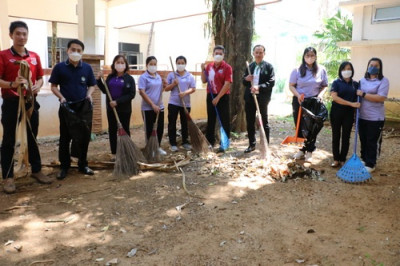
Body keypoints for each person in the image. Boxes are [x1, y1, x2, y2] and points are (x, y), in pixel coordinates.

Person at [0, 21, 53, 194]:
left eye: (24, 34)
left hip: (30, 103)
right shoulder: (3, 56)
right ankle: (8, 177)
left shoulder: (34, 56)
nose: (21, 37)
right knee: (8, 139)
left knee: (32, 137)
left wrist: (37, 85)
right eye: (18, 33)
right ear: (11, 35)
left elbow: (39, 77)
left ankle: (36, 170)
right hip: (11, 103)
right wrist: (12, 84)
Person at [49, 39, 97, 180]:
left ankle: (83, 164)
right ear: (67, 51)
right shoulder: (59, 68)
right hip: (66, 107)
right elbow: (53, 86)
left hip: (83, 108)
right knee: (65, 138)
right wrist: (61, 97)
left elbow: (92, 85)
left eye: (79, 50)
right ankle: (65, 166)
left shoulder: (87, 68)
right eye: (73, 50)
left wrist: (89, 95)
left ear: (82, 52)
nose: (75, 52)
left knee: (84, 137)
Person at [289, 47, 328, 162]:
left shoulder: (321, 69)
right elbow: (291, 85)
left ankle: (310, 150)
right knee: (300, 125)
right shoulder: (296, 70)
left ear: (315, 57)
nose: (310, 58)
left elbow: (324, 85)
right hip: (300, 100)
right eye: (307, 55)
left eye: (312, 55)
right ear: (304, 56)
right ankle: (301, 149)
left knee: (312, 127)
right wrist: (298, 95)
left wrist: (320, 95)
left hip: (314, 102)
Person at [96, 55, 136, 158]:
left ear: (125, 65)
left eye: (122, 63)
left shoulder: (129, 79)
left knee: (125, 130)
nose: (120, 64)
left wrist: (117, 102)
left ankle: (126, 151)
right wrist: (99, 80)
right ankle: (114, 152)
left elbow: (131, 94)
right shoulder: (110, 77)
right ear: (114, 64)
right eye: (118, 62)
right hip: (111, 109)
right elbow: (105, 90)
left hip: (124, 110)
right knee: (112, 130)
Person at [356, 57, 389, 173]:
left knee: (372, 140)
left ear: (380, 68)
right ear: (368, 66)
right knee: (363, 139)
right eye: (371, 65)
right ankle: (364, 159)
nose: (373, 67)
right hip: (362, 116)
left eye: (376, 66)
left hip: (376, 117)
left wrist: (364, 94)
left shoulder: (383, 81)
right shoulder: (362, 80)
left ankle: (371, 163)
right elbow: (357, 95)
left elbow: (381, 97)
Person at [242, 44, 275, 153]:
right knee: (250, 121)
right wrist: (246, 79)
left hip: (262, 97)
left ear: (264, 54)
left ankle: (266, 145)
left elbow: (271, 82)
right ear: (253, 53)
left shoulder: (269, 67)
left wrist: (259, 87)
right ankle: (251, 144)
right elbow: (243, 81)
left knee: (263, 120)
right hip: (250, 97)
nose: (258, 54)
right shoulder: (249, 67)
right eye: (257, 52)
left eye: (261, 52)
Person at [201, 45, 232, 153]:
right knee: (211, 120)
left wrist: (218, 98)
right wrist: (202, 70)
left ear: (223, 55)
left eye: (220, 53)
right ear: (213, 54)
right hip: (210, 95)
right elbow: (204, 80)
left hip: (222, 96)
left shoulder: (227, 67)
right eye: (216, 53)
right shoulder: (209, 67)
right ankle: (210, 142)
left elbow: (227, 84)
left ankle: (225, 143)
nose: (218, 55)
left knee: (224, 120)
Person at [330, 61, 360, 167]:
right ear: (340, 71)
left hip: (349, 113)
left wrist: (355, 104)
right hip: (336, 111)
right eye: (344, 69)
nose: (346, 71)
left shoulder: (355, 84)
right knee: (336, 135)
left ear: (352, 70)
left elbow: (359, 97)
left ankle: (342, 159)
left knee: (346, 136)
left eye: (348, 69)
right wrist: (351, 103)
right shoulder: (336, 83)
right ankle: (336, 159)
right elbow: (335, 97)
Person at [165, 56, 196, 152]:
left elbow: (193, 88)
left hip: (185, 104)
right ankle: (173, 143)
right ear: (176, 64)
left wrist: (185, 93)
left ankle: (185, 142)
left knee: (185, 123)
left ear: (185, 64)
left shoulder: (189, 76)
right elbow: (166, 88)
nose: (180, 65)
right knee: (172, 123)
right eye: (178, 63)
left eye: (182, 63)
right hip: (173, 103)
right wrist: (173, 84)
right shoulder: (171, 75)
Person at [138, 56, 167, 155]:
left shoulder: (158, 76)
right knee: (149, 129)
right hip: (148, 108)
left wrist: (164, 86)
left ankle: (157, 147)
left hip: (160, 106)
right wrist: (152, 105)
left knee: (159, 128)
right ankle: (150, 149)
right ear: (147, 65)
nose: (153, 66)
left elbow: (160, 91)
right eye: (151, 64)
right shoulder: (143, 77)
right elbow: (142, 92)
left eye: (155, 64)